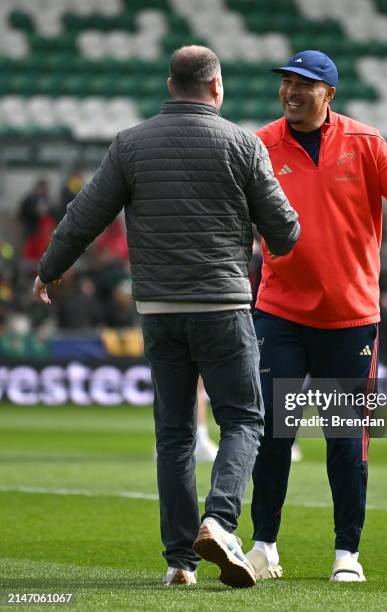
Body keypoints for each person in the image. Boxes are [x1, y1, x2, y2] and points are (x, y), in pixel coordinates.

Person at [33, 45, 300, 589]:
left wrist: (49, 268)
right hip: (223, 306)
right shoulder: (243, 145)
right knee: (245, 418)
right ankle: (220, 521)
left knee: (174, 434)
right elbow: (286, 231)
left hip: (158, 309)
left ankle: (181, 562)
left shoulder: (130, 144)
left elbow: (84, 215)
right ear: (216, 87)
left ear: (170, 85)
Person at [245, 50, 387, 583]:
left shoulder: (366, 144)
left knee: (346, 442)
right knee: (274, 434)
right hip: (279, 312)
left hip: (350, 320)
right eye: (286, 83)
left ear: (330, 94)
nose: (291, 91)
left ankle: (346, 553)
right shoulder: (259, 145)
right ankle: (263, 547)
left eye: (304, 84)